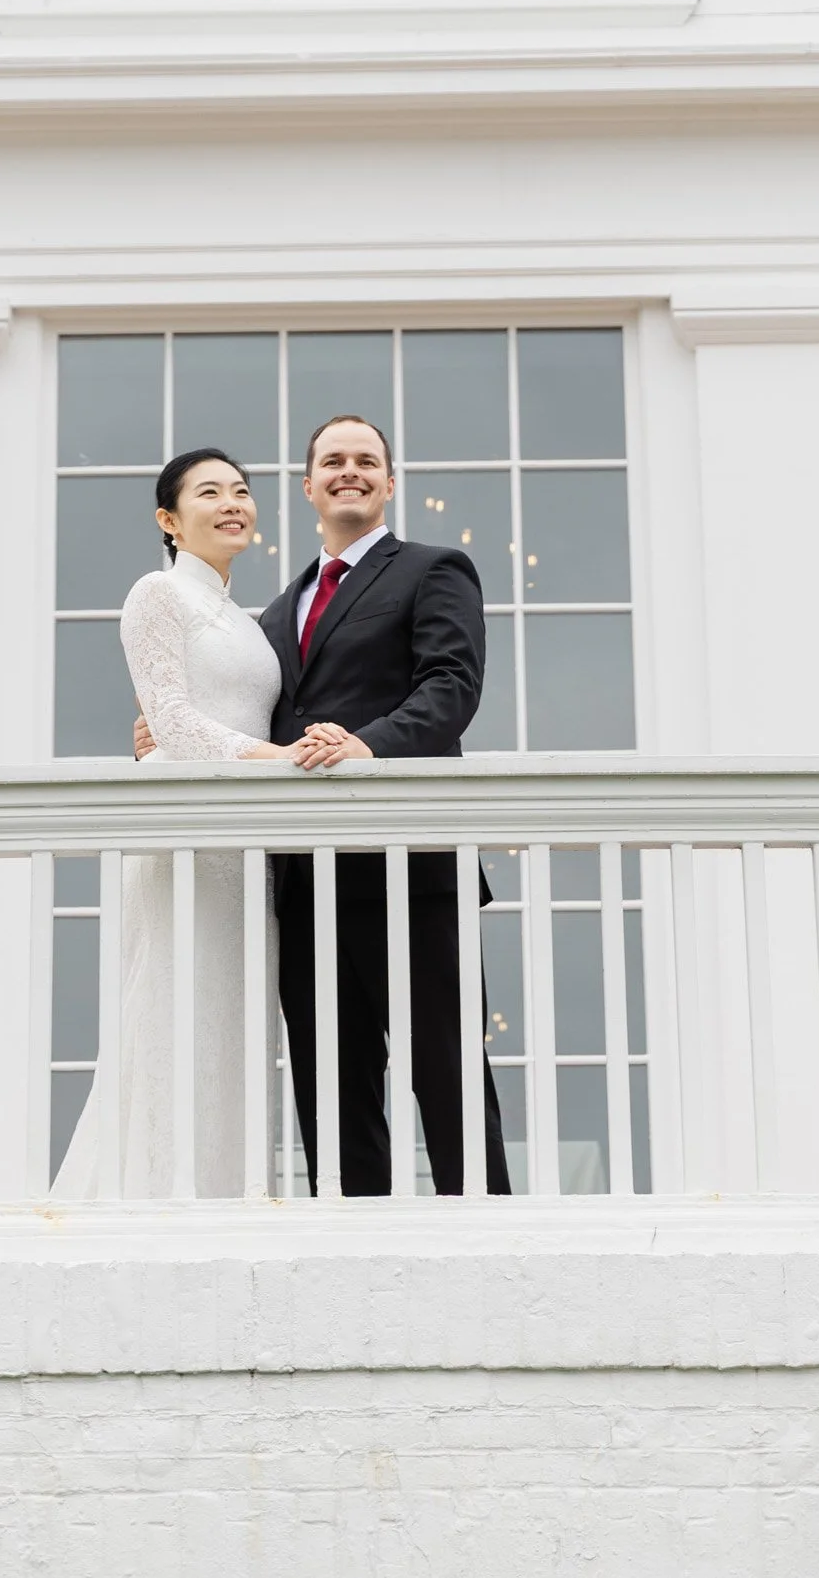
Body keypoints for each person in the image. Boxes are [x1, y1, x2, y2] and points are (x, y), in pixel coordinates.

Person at [257, 412, 511, 1198]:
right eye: (333, 460)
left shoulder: (434, 569)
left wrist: (366, 746)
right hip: (306, 880)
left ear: (389, 482)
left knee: (446, 1069)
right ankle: (350, 1235)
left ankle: (485, 1233)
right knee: (330, 1084)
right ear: (308, 485)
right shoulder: (276, 612)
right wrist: (166, 735)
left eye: (366, 460)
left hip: (411, 868)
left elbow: (450, 686)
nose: (350, 470)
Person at [51, 446, 295, 1199]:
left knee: (234, 1022)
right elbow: (173, 720)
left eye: (241, 491)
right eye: (209, 492)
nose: (232, 503)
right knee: (171, 1007)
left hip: (243, 844)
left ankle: (227, 1195)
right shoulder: (157, 593)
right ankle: (151, 1196)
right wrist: (280, 761)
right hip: (184, 828)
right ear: (169, 519)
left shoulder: (251, 622)